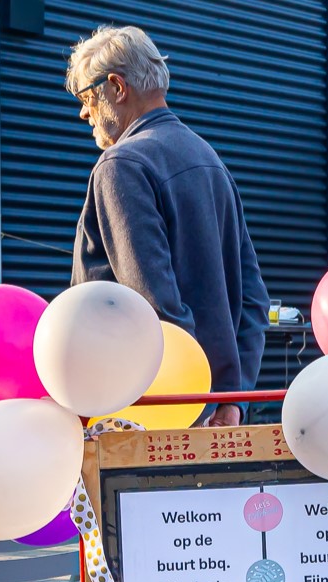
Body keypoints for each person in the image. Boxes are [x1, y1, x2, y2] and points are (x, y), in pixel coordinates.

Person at [70, 24, 267, 429]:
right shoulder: (210, 160)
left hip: (145, 416)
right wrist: (232, 400)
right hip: (210, 412)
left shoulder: (121, 165)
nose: (83, 112)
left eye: (86, 97)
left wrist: (192, 405)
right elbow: (254, 301)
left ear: (116, 87)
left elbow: (153, 306)